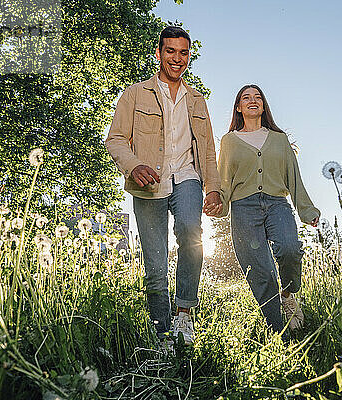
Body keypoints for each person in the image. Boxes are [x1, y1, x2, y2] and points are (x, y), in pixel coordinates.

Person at [105, 26, 222, 348]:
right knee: (155, 263)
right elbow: (115, 139)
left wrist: (214, 188)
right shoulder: (135, 94)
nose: (177, 58)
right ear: (158, 53)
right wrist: (133, 165)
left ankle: (184, 312)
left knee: (189, 229)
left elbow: (208, 149)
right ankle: (162, 334)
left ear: (189, 57)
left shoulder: (197, 99)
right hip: (148, 183)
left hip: (187, 176)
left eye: (183, 53)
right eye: (170, 51)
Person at [208, 85, 320, 333]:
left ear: (264, 105)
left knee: (290, 249)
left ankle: (289, 295)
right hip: (243, 208)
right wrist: (218, 203)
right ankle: (278, 330)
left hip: (277, 203)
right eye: (246, 98)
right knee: (260, 271)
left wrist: (307, 210)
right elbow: (224, 179)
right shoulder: (229, 141)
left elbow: (294, 177)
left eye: (257, 97)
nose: (252, 101)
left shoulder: (279, 139)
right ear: (238, 107)